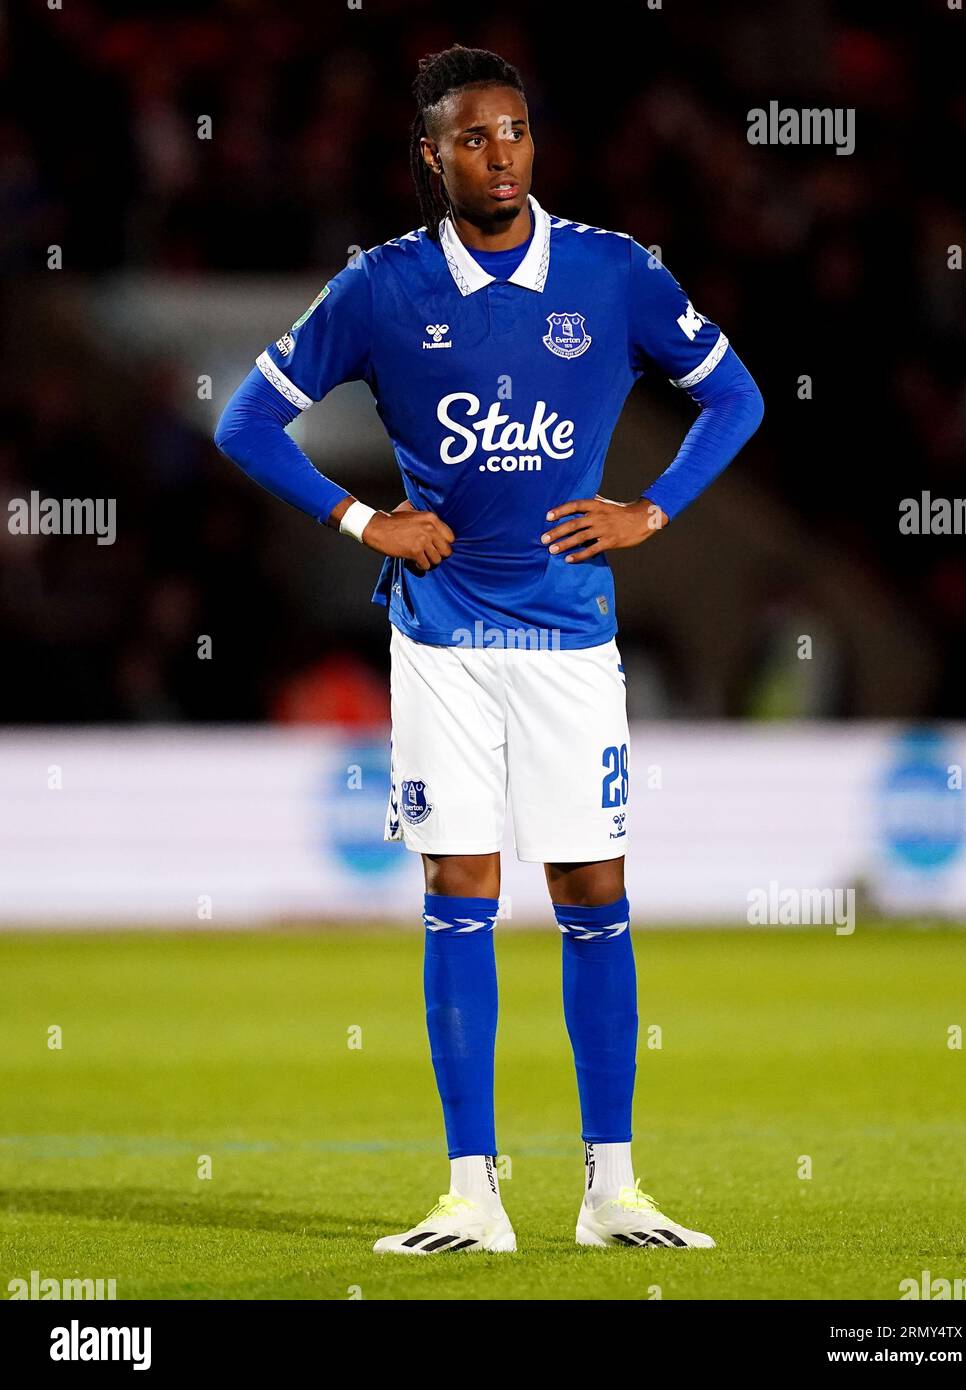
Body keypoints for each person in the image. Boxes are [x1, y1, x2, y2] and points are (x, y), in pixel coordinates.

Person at [215, 44, 763, 1254]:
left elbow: (737, 396)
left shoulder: (614, 273)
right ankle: (472, 1193)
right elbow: (243, 419)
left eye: (514, 130)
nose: (499, 152)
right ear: (432, 154)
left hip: (571, 638)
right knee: (458, 890)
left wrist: (650, 509)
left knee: (593, 894)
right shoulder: (380, 288)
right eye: (472, 136)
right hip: (444, 642)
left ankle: (612, 1189)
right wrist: (364, 520)